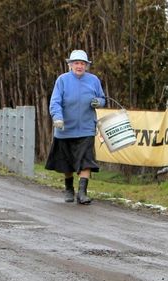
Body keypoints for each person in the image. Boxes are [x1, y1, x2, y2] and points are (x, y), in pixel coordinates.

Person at [46, 49, 106, 205]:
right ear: (70, 65)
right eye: (76, 63)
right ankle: (68, 188)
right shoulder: (62, 80)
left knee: (86, 160)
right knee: (67, 162)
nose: (79, 66)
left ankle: (82, 193)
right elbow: (55, 102)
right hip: (65, 129)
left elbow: (102, 98)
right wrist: (57, 117)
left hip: (86, 128)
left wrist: (98, 102)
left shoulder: (94, 80)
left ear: (86, 66)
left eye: (82, 63)